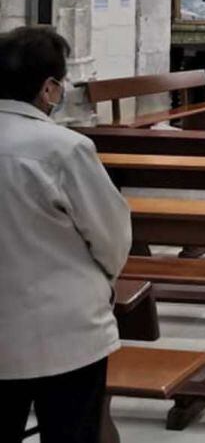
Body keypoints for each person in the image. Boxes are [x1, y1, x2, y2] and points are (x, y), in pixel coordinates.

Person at [0, 26, 131, 443]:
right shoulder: (64, 148)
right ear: (50, 88)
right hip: (63, 331)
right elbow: (110, 236)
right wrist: (104, 281)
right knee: (71, 432)